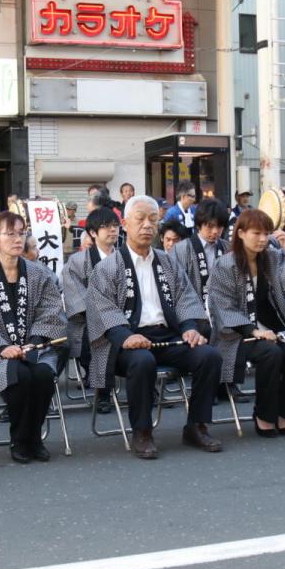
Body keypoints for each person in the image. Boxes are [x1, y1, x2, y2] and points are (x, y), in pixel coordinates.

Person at [86, 195, 224, 459]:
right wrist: (125, 336)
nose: (148, 225)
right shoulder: (108, 267)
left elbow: (185, 296)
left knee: (209, 356)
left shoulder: (167, 261)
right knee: (142, 362)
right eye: (140, 219)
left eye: (153, 219)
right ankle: (142, 431)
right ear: (125, 224)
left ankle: (196, 425)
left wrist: (189, 327)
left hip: (169, 335)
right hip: (128, 340)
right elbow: (101, 309)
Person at [0, 211, 67, 463]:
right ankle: (20, 439)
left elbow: (51, 308)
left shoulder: (38, 273)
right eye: (10, 233)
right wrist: (1, 348)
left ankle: (34, 438)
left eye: (22, 233)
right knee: (18, 377)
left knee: (41, 375)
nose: (18, 239)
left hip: (35, 347)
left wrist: (37, 340)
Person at [208, 209, 285, 436]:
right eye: (257, 233)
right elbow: (223, 307)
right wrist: (254, 331)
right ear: (241, 233)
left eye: (266, 233)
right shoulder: (225, 265)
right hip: (238, 333)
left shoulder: (272, 257)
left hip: (273, 326)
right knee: (270, 353)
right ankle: (264, 415)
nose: (263, 239)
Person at [62, 207, 120, 414]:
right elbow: (75, 298)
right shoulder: (76, 262)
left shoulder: (125, 258)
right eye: (106, 227)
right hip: (90, 322)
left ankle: (147, 386)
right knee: (101, 337)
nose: (113, 231)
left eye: (115, 226)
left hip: (125, 319)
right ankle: (103, 393)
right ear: (93, 233)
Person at [171, 199, 230, 329]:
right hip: (193, 317)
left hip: (225, 315)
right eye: (210, 226)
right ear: (198, 225)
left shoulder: (228, 249)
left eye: (219, 227)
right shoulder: (181, 249)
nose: (215, 231)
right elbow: (175, 288)